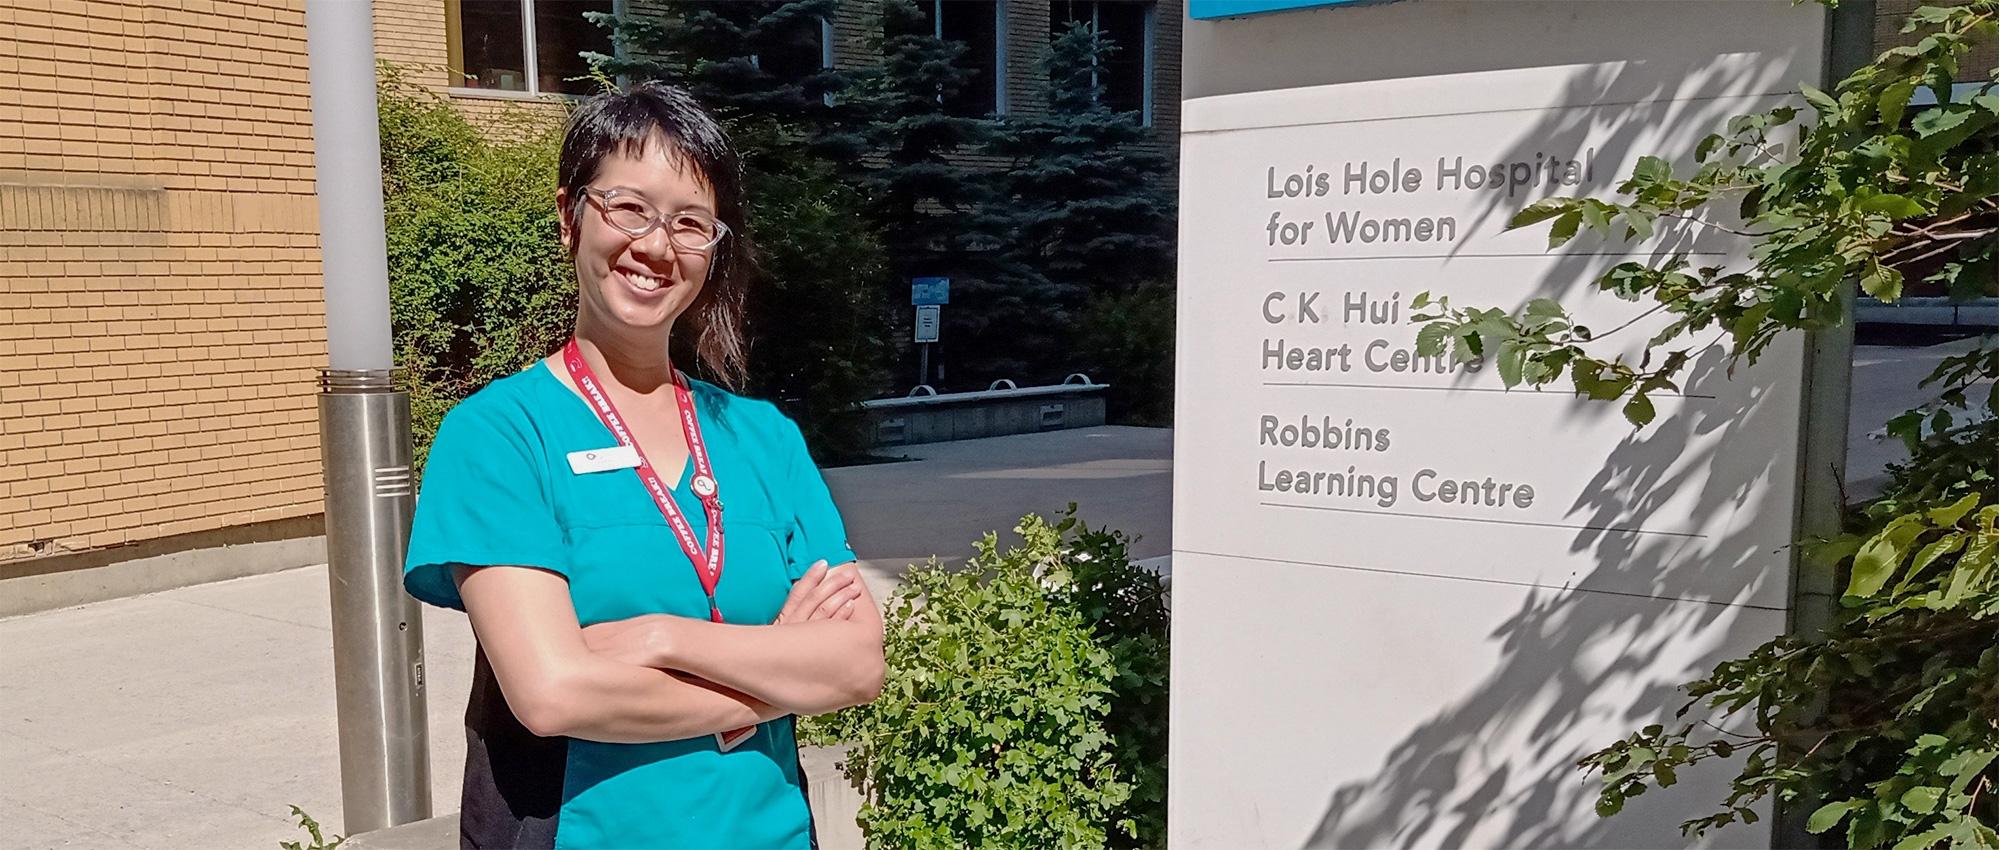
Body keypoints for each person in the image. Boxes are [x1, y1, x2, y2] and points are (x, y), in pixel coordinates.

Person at [402, 82, 885, 850]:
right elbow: (553, 692)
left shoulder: (763, 437)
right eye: (629, 207)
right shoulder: (500, 435)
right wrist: (769, 685)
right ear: (570, 217)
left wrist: (664, 637)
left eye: (691, 222)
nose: (658, 246)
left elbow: (857, 664)